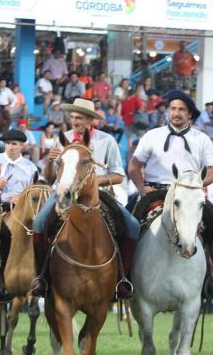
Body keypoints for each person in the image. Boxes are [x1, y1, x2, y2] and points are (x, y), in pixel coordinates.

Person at [128, 89, 213, 298]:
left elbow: (212, 171)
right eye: (173, 109)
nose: (176, 113)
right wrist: (142, 189)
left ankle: (211, 276)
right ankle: (121, 276)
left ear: (190, 115)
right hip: (155, 191)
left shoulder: (202, 139)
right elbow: (134, 167)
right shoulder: (152, 136)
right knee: (126, 223)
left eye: (181, 110)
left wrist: (196, 186)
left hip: (188, 195)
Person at [29, 98, 139, 300]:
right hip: (63, 191)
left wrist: (92, 181)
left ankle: (122, 279)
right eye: (72, 117)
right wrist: (51, 161)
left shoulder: (106, 141)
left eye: (79, 117)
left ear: (90, 119)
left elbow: (118, 175)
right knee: (39, 222)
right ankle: (42, 277)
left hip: (97, 193)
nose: (74, 121)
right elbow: (51, 177)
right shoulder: (63, 139)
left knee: (132, 225)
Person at [0, 129, 39, 210]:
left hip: (20, 209)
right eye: (7, 143)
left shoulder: (31, 168)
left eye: (14, 144)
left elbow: (35, 191)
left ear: (22, 146)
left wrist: (22, 197)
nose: (10, 147)